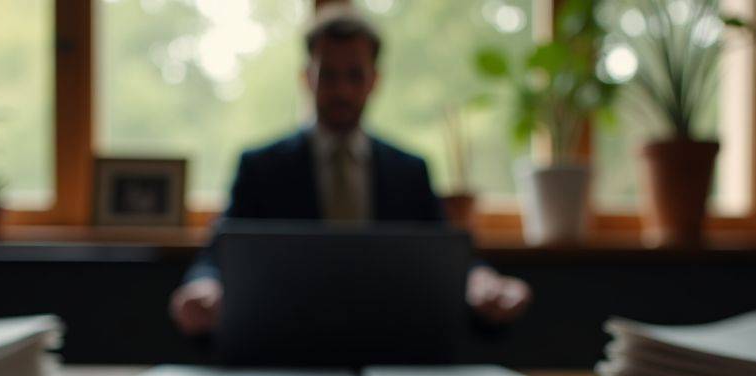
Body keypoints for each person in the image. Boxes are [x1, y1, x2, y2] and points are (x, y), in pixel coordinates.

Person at [169, 4, 532, 336]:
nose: (341, 90)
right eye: (328, 75)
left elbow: (446, 258)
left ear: (374, 80)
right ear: (306, 78)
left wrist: (481, 281)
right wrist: (205, 286)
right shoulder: (261, 168)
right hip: (284, 349)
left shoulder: (409, 172)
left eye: (354, 75)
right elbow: (217, 257)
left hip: (394, 348)